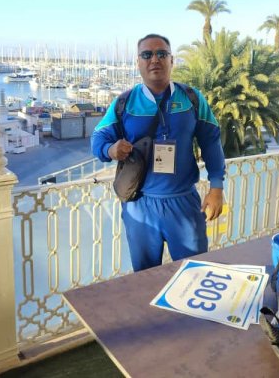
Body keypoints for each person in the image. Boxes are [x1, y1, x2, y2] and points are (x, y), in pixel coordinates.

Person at [91, 34, 225, 271]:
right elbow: (98, 139)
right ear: (138, 62)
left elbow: (211, 141)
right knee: (145, 278)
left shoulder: (192, 99)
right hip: (139, 205)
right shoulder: (124, 103)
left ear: (172, 60)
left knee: (193, 272)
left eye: (162, 54)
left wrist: (216, 188)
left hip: (183, 203)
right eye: (147, 54)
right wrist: (110, 149)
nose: (155, 59)